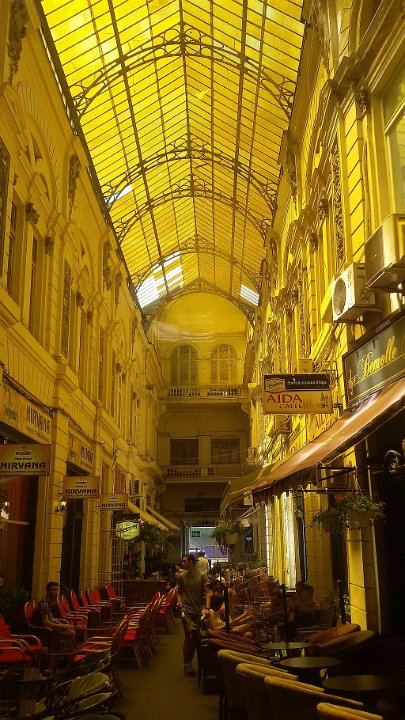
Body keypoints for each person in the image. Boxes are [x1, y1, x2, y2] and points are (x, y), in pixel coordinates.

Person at [176, 553, 209, 676]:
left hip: (197, 611)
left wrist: (207, 608)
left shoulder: (202, 576)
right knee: (189, 635)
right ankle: (187, 664)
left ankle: (190, 662)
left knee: (195, 637)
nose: (182, 563)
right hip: (186, 611)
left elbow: (208, 592)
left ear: (191, 562)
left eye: (184, 561)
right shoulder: (182, 576)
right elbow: (178, 592)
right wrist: (180, 603)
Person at [31, 581, 77, 650]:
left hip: (48, 629)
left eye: (57, 590)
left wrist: (65, 626)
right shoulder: (44, 603)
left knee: (70, 630)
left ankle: (66, 652)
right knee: (71, 633)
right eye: (54, 590)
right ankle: (67, 654)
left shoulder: (47, 601)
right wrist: (64, 626)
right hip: (41, 630)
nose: (56, 592)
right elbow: (46, 623)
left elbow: (51, 618)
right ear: (48, 591)